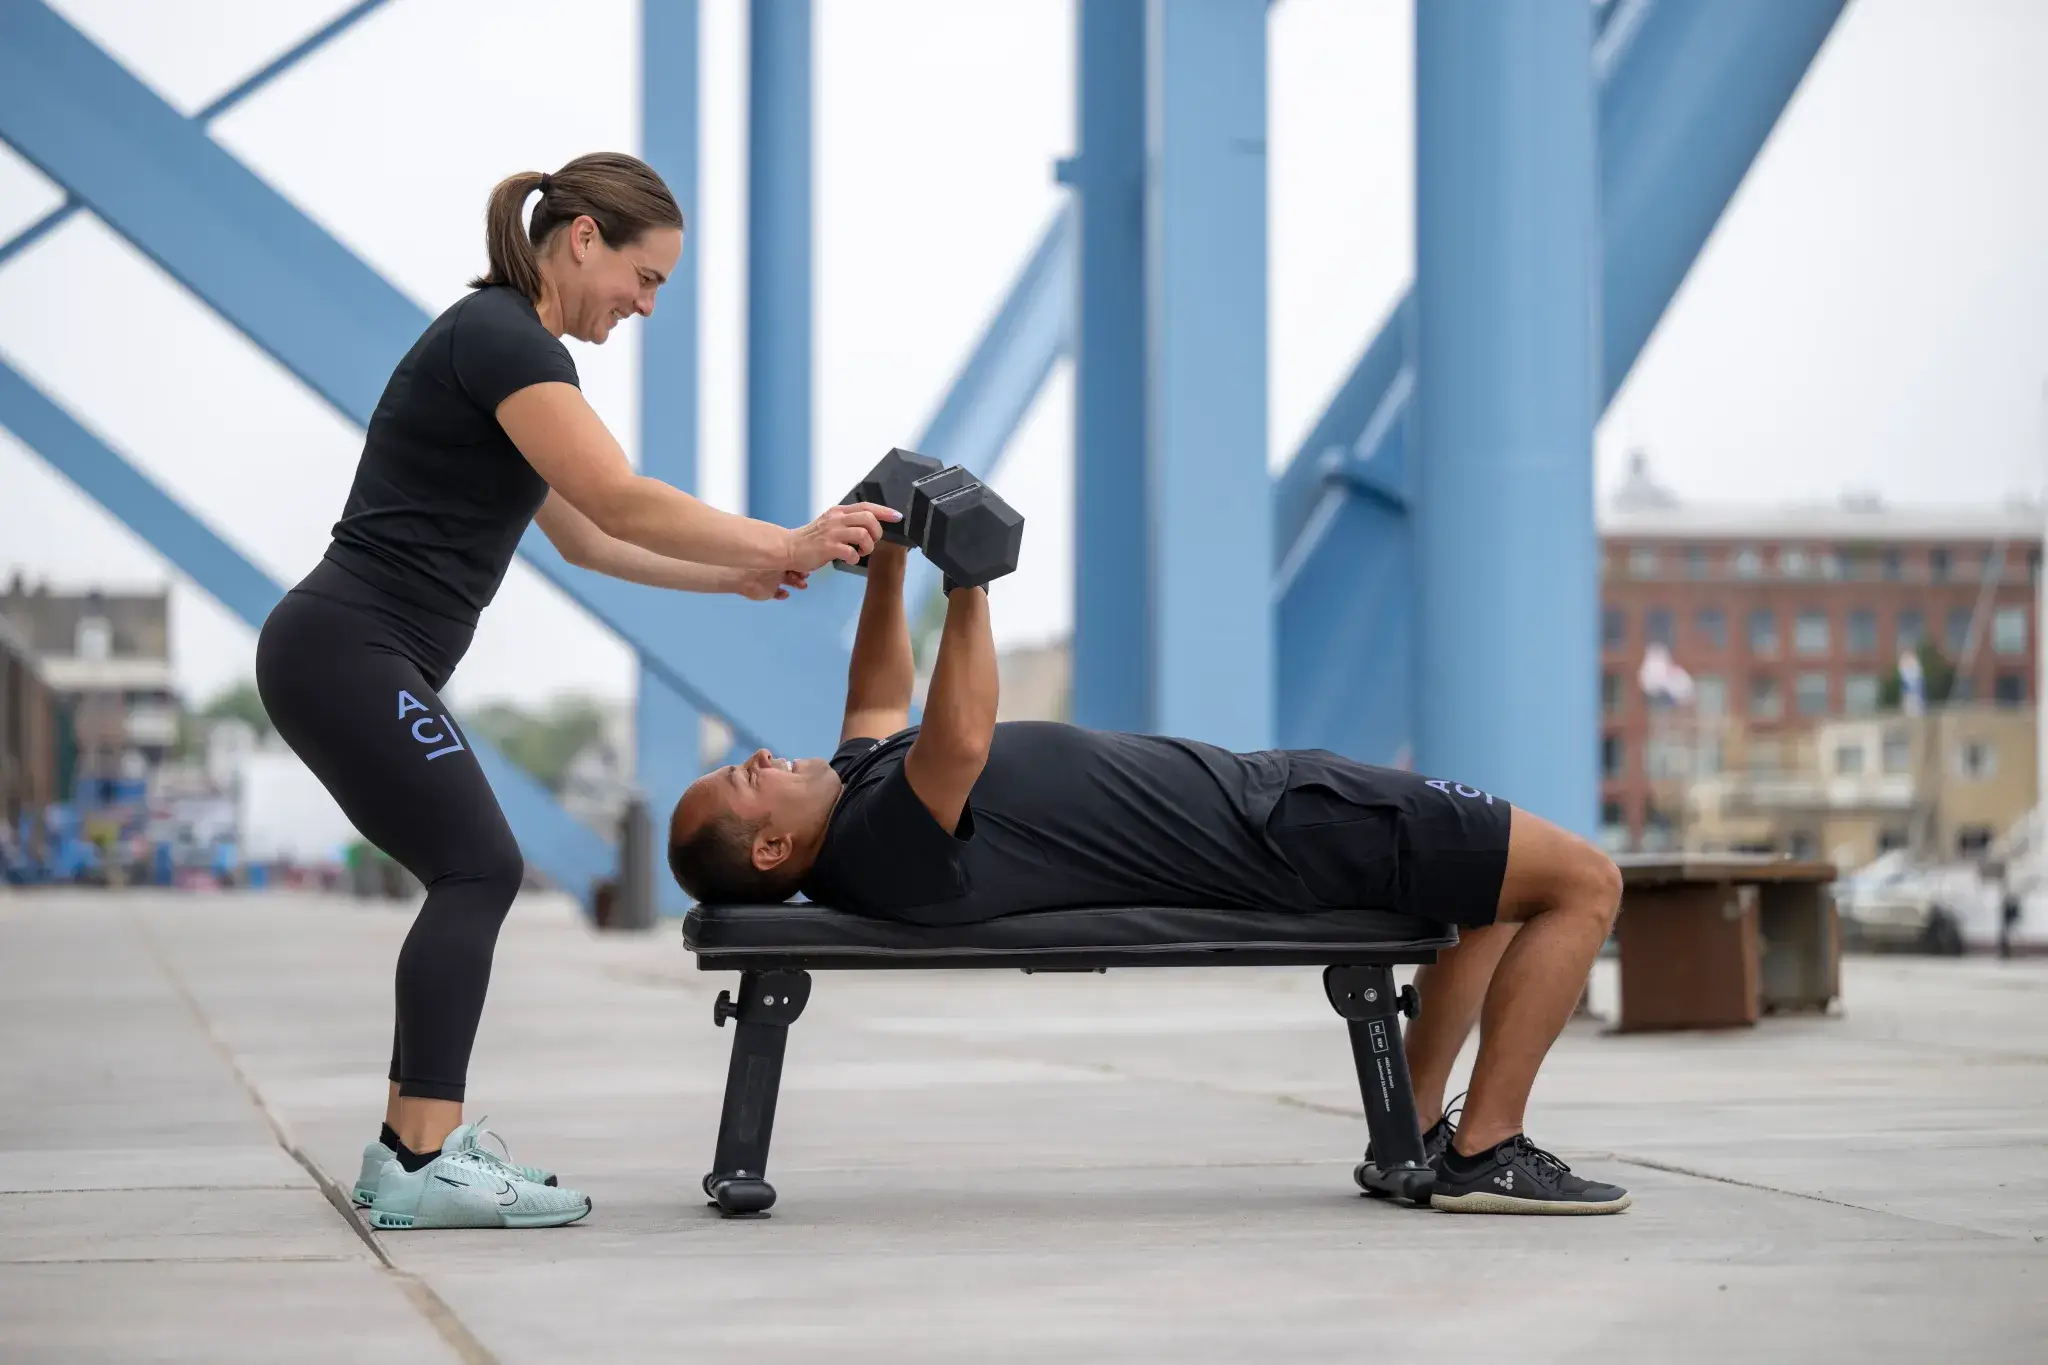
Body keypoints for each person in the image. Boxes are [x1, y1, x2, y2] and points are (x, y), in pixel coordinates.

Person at [256, 153, 897, 1231]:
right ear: (585, 237)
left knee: (472, 870)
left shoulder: (510, 354)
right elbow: (619, 494)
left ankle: (407, 1153)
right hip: (347, 648)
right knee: (480, 867)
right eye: (645, 280)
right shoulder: (506, 339)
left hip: (353, 654)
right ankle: (420, 1158)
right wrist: (785, 536)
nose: (645, 306)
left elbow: (587, 537)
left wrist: (737, 573)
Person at [667, 523, 1632, 1215]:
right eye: (737, 785)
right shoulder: (879, 843)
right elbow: (958, 736)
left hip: (1277, 807)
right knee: (1585, 880)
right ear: (768, 850)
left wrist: (887, 555)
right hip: (1286, 826)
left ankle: (1414, 1137)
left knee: (1491, 895)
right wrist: (969, 584)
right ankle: (1488, 1149)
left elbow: (880, 695)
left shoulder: (852, 795)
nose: (751, 759)